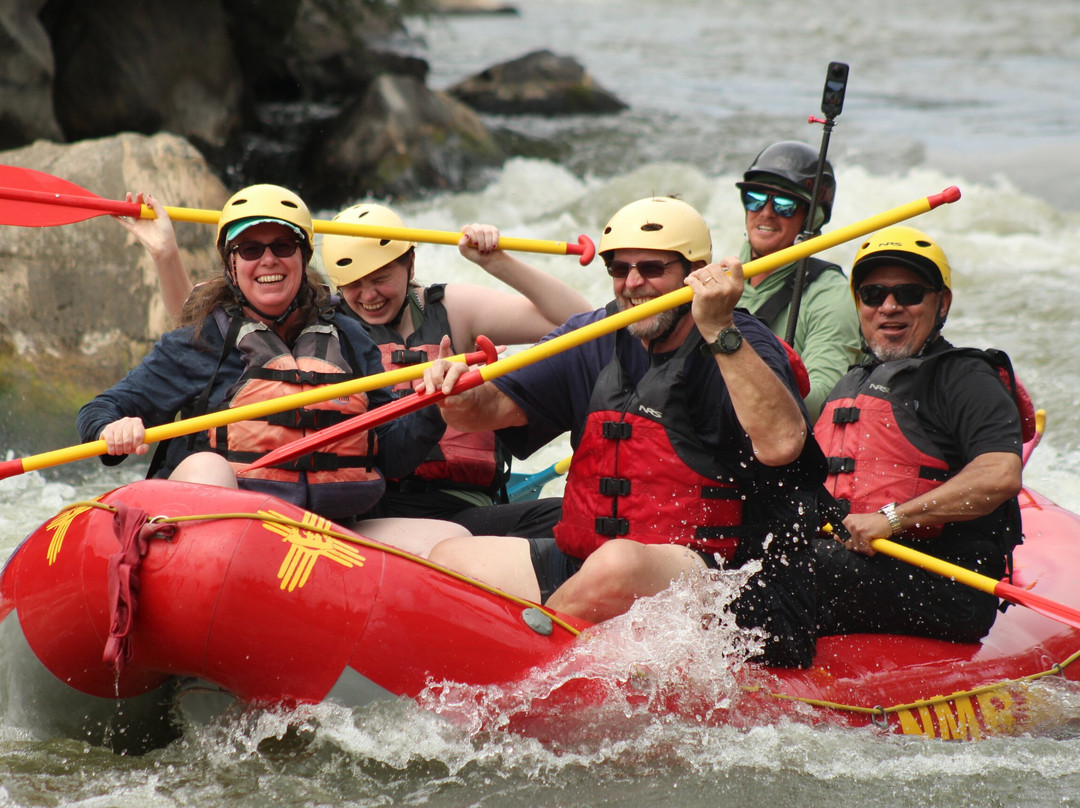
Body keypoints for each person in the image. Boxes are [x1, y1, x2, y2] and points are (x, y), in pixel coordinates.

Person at [418, 196, 827, 668]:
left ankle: (524, 668)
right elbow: (483, 411)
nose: (633, 284)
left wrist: (717, 326)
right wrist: (453, 393)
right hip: (587, 562)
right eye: (619, 268)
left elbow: (782, 444)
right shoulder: (593, 334)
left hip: (720, 578)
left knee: (619, 565)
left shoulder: (740, 342)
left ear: (695, 271)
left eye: (652, 268)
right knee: (451, 557)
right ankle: (511, 650)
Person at [78, 184, 464, 550]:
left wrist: (433, 404)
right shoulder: (201, 341)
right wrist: (112, 428)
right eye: (250, 249)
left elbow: (390, 454)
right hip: (226, 530)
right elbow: (99, 411)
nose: (268, 260)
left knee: (452, 541)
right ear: (232, 264)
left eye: (283, 245)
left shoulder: (348, 337)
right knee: (209, 469)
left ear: (303, 257)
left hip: (325, 530)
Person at [320, 203, 593, 537]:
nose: (369, 295)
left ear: (410, 262)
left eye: (381, 278)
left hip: (459, 508)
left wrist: (495, 262)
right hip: (372, 509)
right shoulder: (327, 331)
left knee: (573, 516)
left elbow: (586, 325)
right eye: (353, 285)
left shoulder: (450, 309)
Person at [813, 226, 1025, 643]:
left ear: (941, 302)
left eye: (908, 294)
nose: (889, 307)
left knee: (797, 570)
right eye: (873, 295)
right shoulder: (850, 382)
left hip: (943, 585)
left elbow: (1000, 474)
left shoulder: (963, 375)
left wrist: (891, 520)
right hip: (854, 567)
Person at [734, 141, 862, 419]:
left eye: (784, 204)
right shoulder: (718, 282)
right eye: (755, 198)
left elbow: (820, 403)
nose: (766, 212)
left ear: (811, 218)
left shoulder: (830, 296)